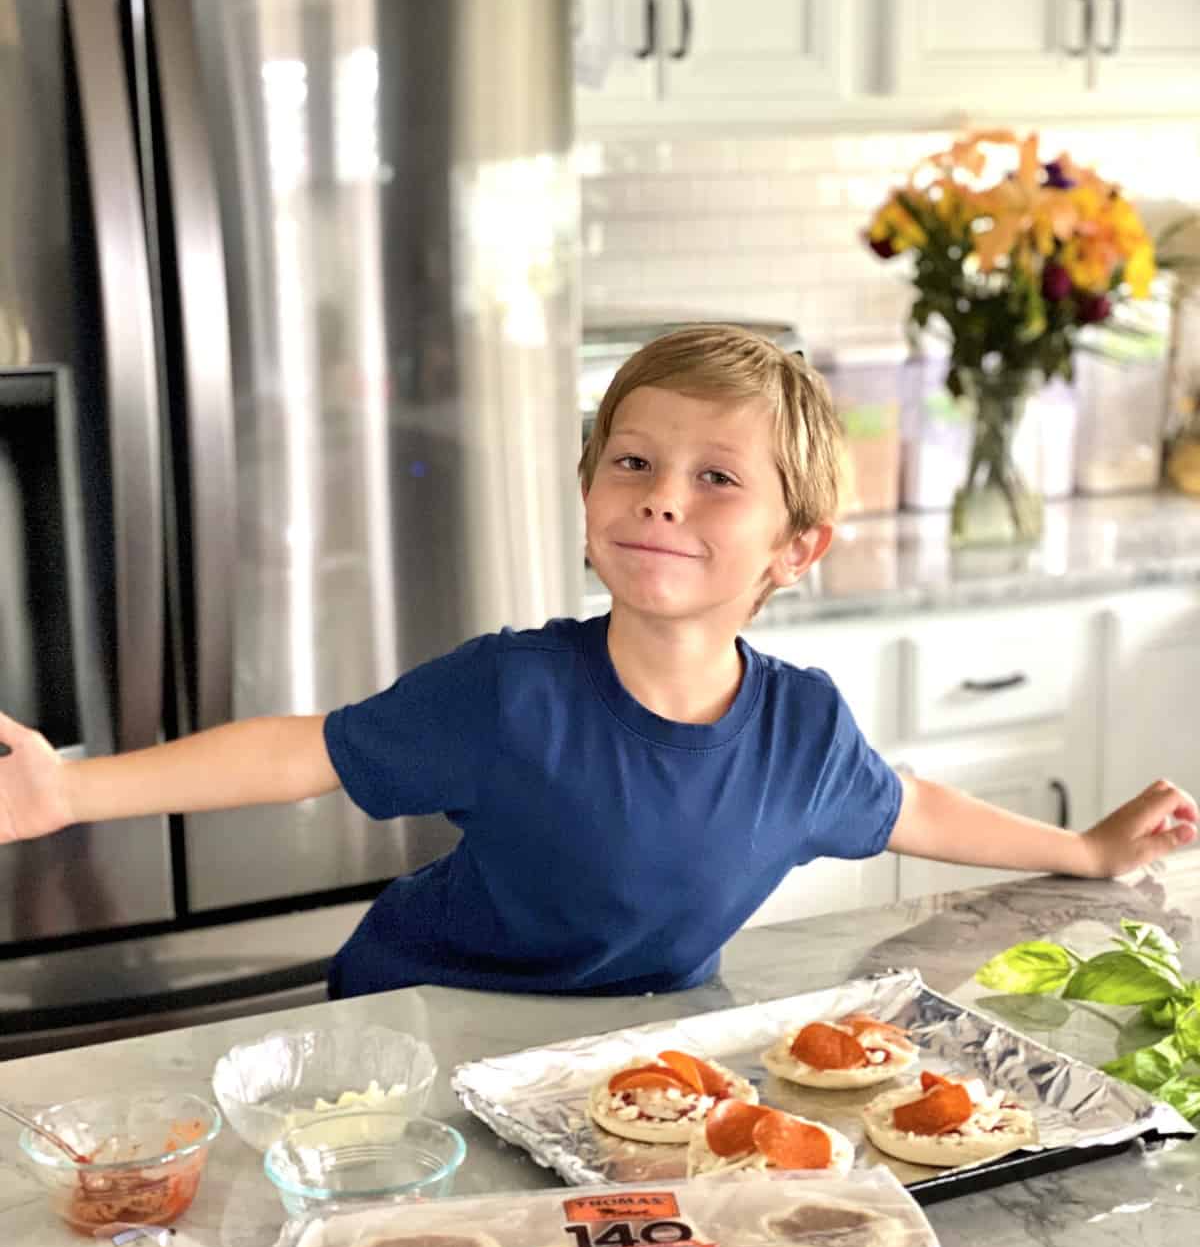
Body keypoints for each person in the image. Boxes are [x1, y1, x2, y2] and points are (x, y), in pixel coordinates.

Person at [0, 325, 1195, 1000]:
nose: (661, 499)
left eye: (716, 477)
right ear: (587, 494)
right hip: (423, 1022)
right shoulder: (510, 692)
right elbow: (304, 751)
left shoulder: (803, 734)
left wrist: (1087, 851)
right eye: (631, 462)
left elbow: (907, 808)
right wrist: (71, 789)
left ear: (797, 545)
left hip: (620, 1053)